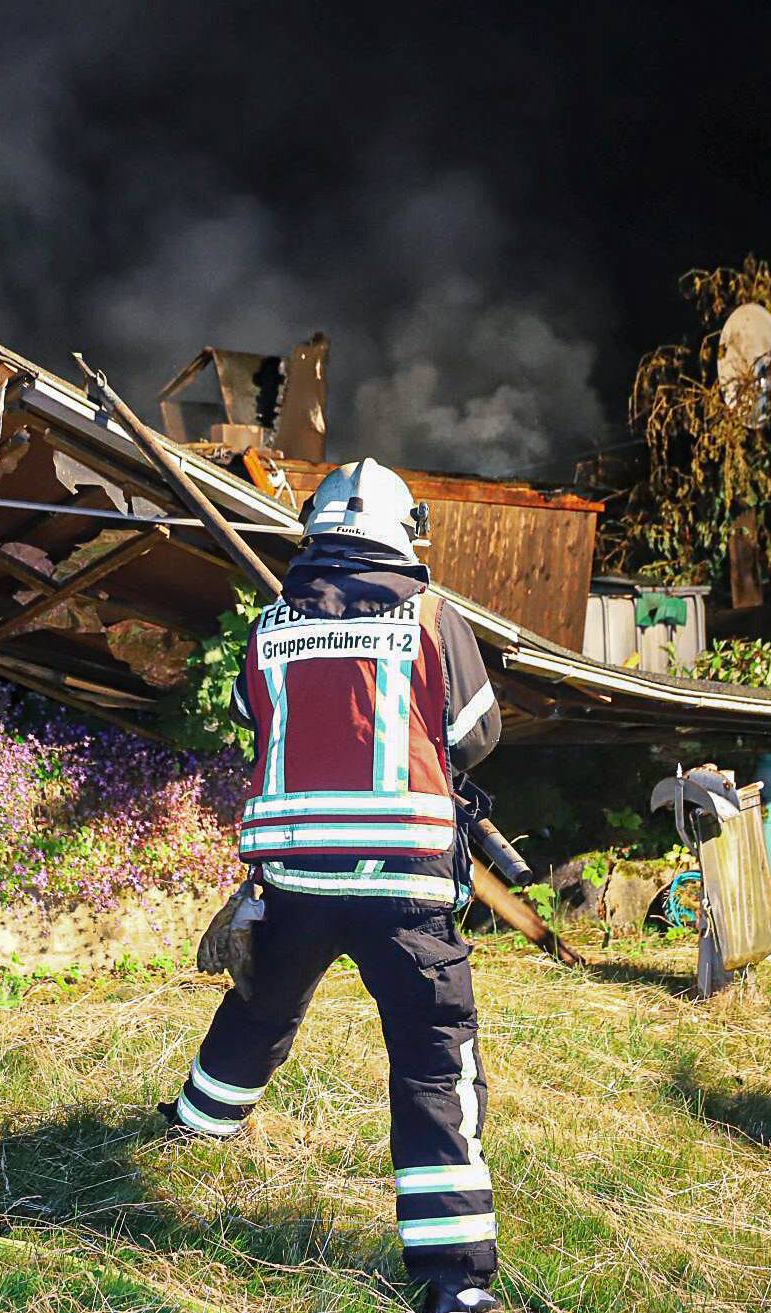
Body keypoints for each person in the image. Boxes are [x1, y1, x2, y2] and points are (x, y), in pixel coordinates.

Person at [162, 458, 506, 1313]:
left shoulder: (269, 626)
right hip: (407, 889)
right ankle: (453, 1282)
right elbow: (476, 735)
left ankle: (196, 1124)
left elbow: (251, 715)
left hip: (293, 880)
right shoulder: (434, 617)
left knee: (261, 1006)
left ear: (314, 530)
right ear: (404, 533)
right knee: (431, 1063)